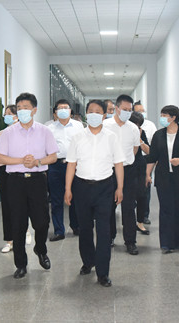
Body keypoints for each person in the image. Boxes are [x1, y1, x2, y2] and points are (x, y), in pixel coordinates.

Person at [0, 92, 58, 279]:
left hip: (38, 180)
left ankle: (41, 249)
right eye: (19, 108)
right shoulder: (8, 133)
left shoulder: (45, 131)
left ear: (34, 110)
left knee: (42, 221)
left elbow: (53, 156)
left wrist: (37, 162)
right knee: (18, 223)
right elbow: (1, 157)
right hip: (15, 181)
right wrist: (21, 161)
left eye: (26, 108)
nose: (22, 111)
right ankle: (21, 264)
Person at [65, 100, 124, 287]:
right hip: (81, 186)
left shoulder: (111, 137)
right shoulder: (77, 137)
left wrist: (120, 188)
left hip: (105, 187)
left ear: (104, 115)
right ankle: (88, 261)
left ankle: (103, 272)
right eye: (90, 111)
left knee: (104, 230)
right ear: (86, 114)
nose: (94, 114)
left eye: (98, 111)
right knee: (85, 228)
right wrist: (68, 188)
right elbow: (71, 164)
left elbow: (118, 164)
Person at [145, 105, 179, 254]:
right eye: (161, 115)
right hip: (163, 177)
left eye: (165, 115)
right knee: (166, 209)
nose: (162, 118)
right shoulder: (158, 135)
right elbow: (152, 157)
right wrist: (147, 174)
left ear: (174, 117)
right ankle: (166, 243)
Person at [103, 94, 141, 254]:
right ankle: (109, 237)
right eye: (124, 109)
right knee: (108, 206)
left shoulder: (133, 128)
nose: (127, 112)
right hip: (108, 170)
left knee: (128, 207)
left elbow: (135, 148)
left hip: (128, 170)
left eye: (129, 110)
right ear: (116, 108)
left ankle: (130, 241)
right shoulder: (105, 125)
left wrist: (125, 161)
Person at [46, 99, 83, 241]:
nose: (63, 110)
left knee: (75, 197)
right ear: (55, 112)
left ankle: (76, 226)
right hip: (56, 166)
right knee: (56, 199)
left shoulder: (78, 126)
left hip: (75, 165)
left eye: (65, 107)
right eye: (60, 108)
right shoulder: (49, 128)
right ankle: (59, 230)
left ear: (70, 111)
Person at [0, 105, 17, 253]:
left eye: (9, 114)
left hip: (19, 171)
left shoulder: (23, 133)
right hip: (4, 172)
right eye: (5, 114)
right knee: (7, 207)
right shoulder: (2, 133)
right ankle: (9, 240)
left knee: (19, 205)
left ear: (16, 116)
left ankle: (22, 233)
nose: (6, 116)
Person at [133, 101, 157, 225]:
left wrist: (140, 140)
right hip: (129, 164)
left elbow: (151, 149)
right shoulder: (127, 127)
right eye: (138, 111)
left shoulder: (149, 126)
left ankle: (144, 216)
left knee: (145, 191)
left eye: (142, 111)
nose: (141, 113)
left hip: (145, 162)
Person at [129, 111, 151, 234]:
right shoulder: (124, 132)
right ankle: (129, 223)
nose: (136, 127)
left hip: (139, 166)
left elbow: (148, 151)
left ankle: (140, 223)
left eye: (138, 125)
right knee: (128, 197)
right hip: (126, 165)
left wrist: (139, 139)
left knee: (142, 195)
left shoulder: (141, 133)